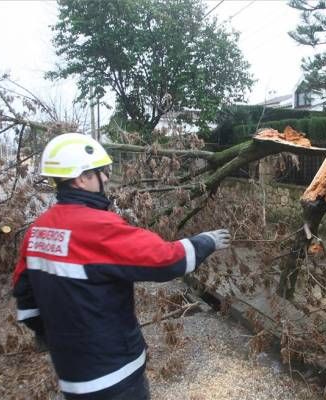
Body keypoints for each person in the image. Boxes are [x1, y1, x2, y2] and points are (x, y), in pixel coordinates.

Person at [12, 133, 231, 400]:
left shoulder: (37, 231)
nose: (105, 179)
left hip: (71, 376)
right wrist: (203, 242)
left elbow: (25, 299)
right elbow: (166, 259)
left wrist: (53, 334)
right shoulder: (97, 227)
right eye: (100, 172)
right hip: (115, 375)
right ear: (82, 178)